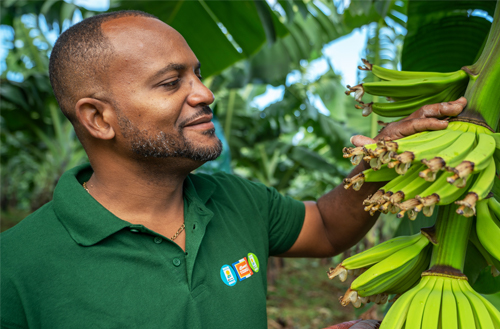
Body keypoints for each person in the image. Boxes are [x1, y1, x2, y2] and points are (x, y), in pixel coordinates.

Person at [1, 10, 466, 329]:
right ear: (98, 118)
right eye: (170, 82)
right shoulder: (18, 267)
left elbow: (325, 226)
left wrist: (381, 159)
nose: (205, 94)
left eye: (198, 74)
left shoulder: (235, 200)